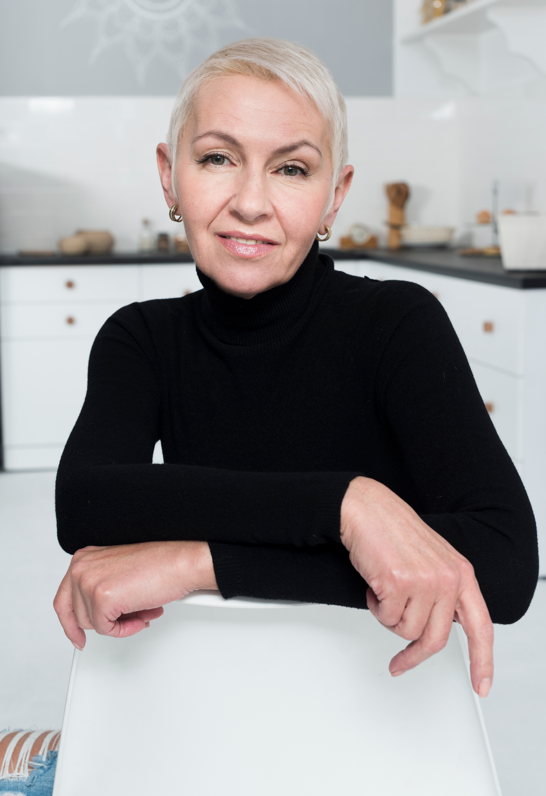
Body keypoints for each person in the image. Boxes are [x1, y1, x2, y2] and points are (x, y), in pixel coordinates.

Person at [54, 38, 538, 700]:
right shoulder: (141, 338)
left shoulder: (397, 322)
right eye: (218, 158)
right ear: (169, 177)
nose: (251, 202)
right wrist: (347, 505)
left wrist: (198, 561)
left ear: (335, 197)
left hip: (382, 700)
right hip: (215, 687)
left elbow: (506, 563)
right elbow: (86, 502)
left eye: (291, 169)